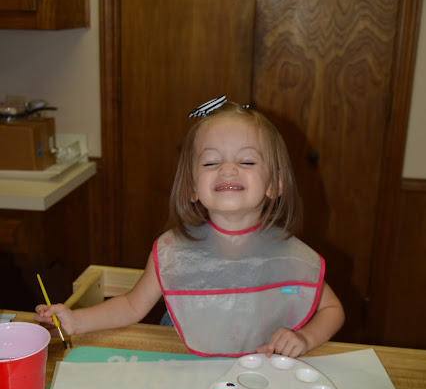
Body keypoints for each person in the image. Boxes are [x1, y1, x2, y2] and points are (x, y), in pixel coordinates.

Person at [35, 97, 344, 358]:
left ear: (275, 184)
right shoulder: (175, 252)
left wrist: (305, 338)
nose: (227, 169)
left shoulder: (291, 257)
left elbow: (332, 309)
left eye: (247, 162)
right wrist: (75, 321)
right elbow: (131, 306)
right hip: (185, 367)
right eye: (211, 163)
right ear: (192, 187)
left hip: (260, 373)